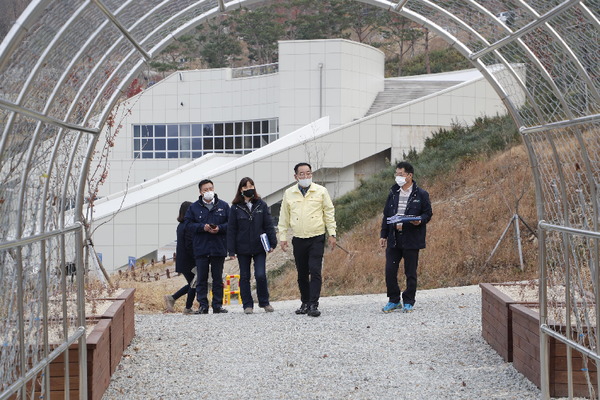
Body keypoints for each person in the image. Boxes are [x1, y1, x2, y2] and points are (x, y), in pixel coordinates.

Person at [278, 162, 336, 317]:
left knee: (315, 270)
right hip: (298, 238)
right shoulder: (289, 193)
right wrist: (282, 237)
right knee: (302, 272)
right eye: (302, 174)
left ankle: (313, 304)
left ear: (312, 174)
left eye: (308, 173)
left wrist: (332, 234)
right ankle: (305, 302)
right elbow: (284, 216)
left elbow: (329, 213)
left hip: (316, 237)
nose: (305, 176)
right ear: (296, 176)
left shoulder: (321, 191)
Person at [380, 161, 432, 313]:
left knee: (410, 272)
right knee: (390, 270)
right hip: (394, 238)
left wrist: (420, 220)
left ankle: (408, 301)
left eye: (400, 174)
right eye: (396, 174)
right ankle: (394, 300)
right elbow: (386, 215)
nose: (397, 177)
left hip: (411, 238)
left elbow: (428, 213)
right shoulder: (393, 193)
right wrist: (383, 235)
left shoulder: (421, 194)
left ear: (409, 176)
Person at [227, 177, 278, 314]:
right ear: (241, 190)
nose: (249, 188)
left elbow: (268, 225)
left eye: (251, 186)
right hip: (242, 248)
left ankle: (264, 302)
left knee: (260, 275)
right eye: (245, 187)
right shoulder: (235, 207)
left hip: (259, 246)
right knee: (244, 276)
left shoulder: (261, 204)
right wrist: (231, 250)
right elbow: (231, 229)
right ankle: (247, 305)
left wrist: (273, 243)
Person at [184, 179, 230, 314]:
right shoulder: (193, 208)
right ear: (200, 192)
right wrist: (201, 227)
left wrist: (220, 228)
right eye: (205, 190)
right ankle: (203, 305)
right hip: (201, 248)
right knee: (201, 279)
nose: (209, 191)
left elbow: (231, 224)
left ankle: (217, 305)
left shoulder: (224, 206)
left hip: (218, 247)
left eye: (211, 188)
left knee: (217, 278)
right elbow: (187, 225)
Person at [164, 201, 196, 314]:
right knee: (194, 283)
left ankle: (174, 299)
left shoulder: (181, 226)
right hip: (189, 261)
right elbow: (189, 245)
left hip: (183, 260)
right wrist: (196, 259)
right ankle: (185, 307)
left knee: (194, 283)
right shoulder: (188, 226)